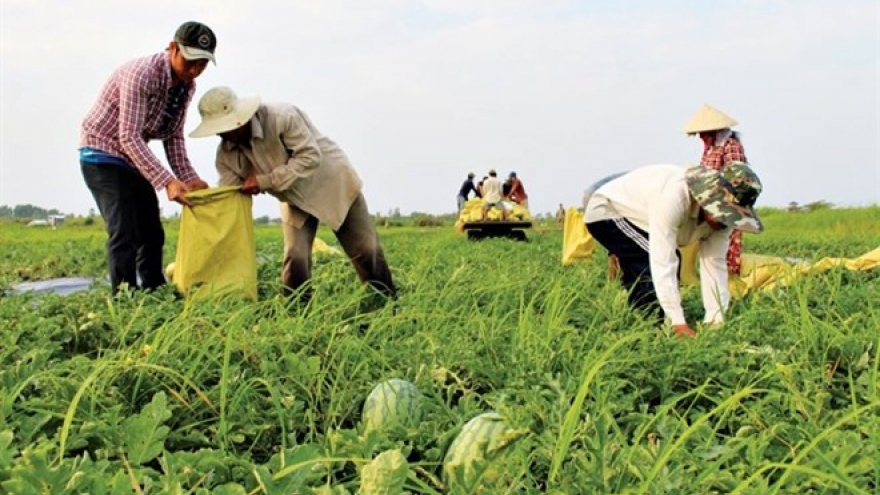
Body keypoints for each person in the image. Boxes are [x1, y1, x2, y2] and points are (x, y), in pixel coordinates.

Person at [190, 86, 396, 303]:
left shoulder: (281, 117)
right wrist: (205, 199)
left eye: (226, 128)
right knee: (295, 255)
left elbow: (309, 156)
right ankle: (296, 312)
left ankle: (386, 302)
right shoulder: (226, 155)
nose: (223, 135)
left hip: (330, 182)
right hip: (293, 197)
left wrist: (264, 181)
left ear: (240, 119)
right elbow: (230, 197)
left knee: (366, 249)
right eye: (218, 130)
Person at [79, 21, 216, 294]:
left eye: (202, 63)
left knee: (152, 231)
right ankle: (124, 299)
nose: (195, 70)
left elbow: (173, 136)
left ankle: (154, 292)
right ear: (173, 48)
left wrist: (188, 178)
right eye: (190, 61)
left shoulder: (185, 87)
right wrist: (167, 181)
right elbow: (128, 136)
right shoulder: (142, 75)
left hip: (131, 157)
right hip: (101, 152)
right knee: (125, 231)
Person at [584, 162, 763, 337]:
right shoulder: (674, 197)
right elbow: (663, 259)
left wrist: (716, 319)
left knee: (647, 263)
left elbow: (714, 264)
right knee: (647, 259)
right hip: (608, 210)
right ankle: (655, 328)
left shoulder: (723, 223)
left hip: (642, 217)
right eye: (721, 211)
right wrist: (678, 323)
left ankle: (649, 320)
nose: (722, 221)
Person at [683, 104, 748, 275]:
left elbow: (737, 177)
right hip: (710, 204)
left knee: (727, 246)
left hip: (726, 204)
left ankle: (730, 283)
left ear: (715, 131)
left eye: (704, 134)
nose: (701, 138)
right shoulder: (711, 149)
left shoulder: (731, 146)